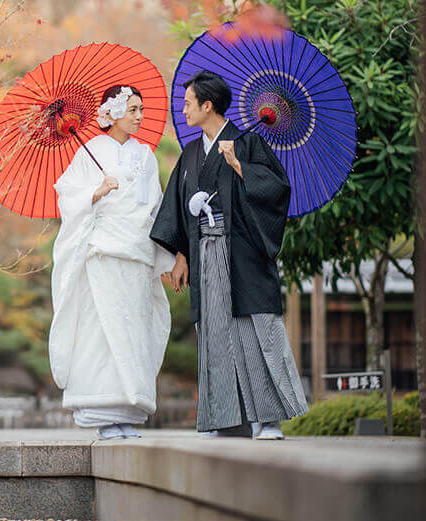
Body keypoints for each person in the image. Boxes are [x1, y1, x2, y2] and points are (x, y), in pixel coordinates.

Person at [150, 70, 308, 439]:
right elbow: (175, 207)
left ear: (208, 106)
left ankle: (269, 419)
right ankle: (223, 419)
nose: (184, 109)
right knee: (215, 333)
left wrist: (240, 166)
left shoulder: (248, 144)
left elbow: (277, 190)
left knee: (256, 329)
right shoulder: (190, 154)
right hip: (204, 253)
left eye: (189, 103)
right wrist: (180, 256)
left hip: (243, 253)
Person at [49, 85, 175, 439]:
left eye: (140, 109)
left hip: (135, 252)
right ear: (114, 112)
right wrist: (94, 192)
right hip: (101, 252)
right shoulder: (89, 153)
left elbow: (156, 207)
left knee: (133, 330)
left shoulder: (146, 156)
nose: (139, 116)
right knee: (100, 331)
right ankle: (101, 413)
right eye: (132, 109)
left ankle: (129, 410)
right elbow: (67, 195)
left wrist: (162, 257)